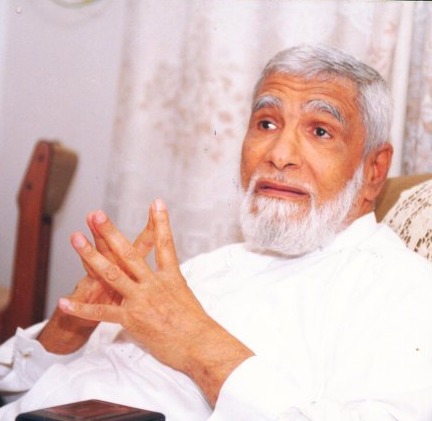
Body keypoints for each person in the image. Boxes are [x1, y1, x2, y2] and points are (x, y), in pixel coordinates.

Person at [0, 44, 432, 420]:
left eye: (320, 131)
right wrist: (66, 333)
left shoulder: (402, 289)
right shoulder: (210, 267)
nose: (279, 154)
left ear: (373, 171)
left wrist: (197, 343)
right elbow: (15, 385)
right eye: (266, 124)